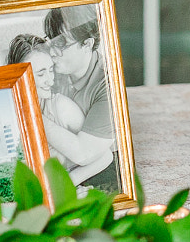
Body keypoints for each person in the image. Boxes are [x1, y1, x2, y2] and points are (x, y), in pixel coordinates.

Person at [8, 32, 115, 187]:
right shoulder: (7, 113)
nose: (50, 80)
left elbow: (104, 156)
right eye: (41, 73)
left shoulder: (60, 107)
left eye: (51, 70)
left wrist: (67, 185)